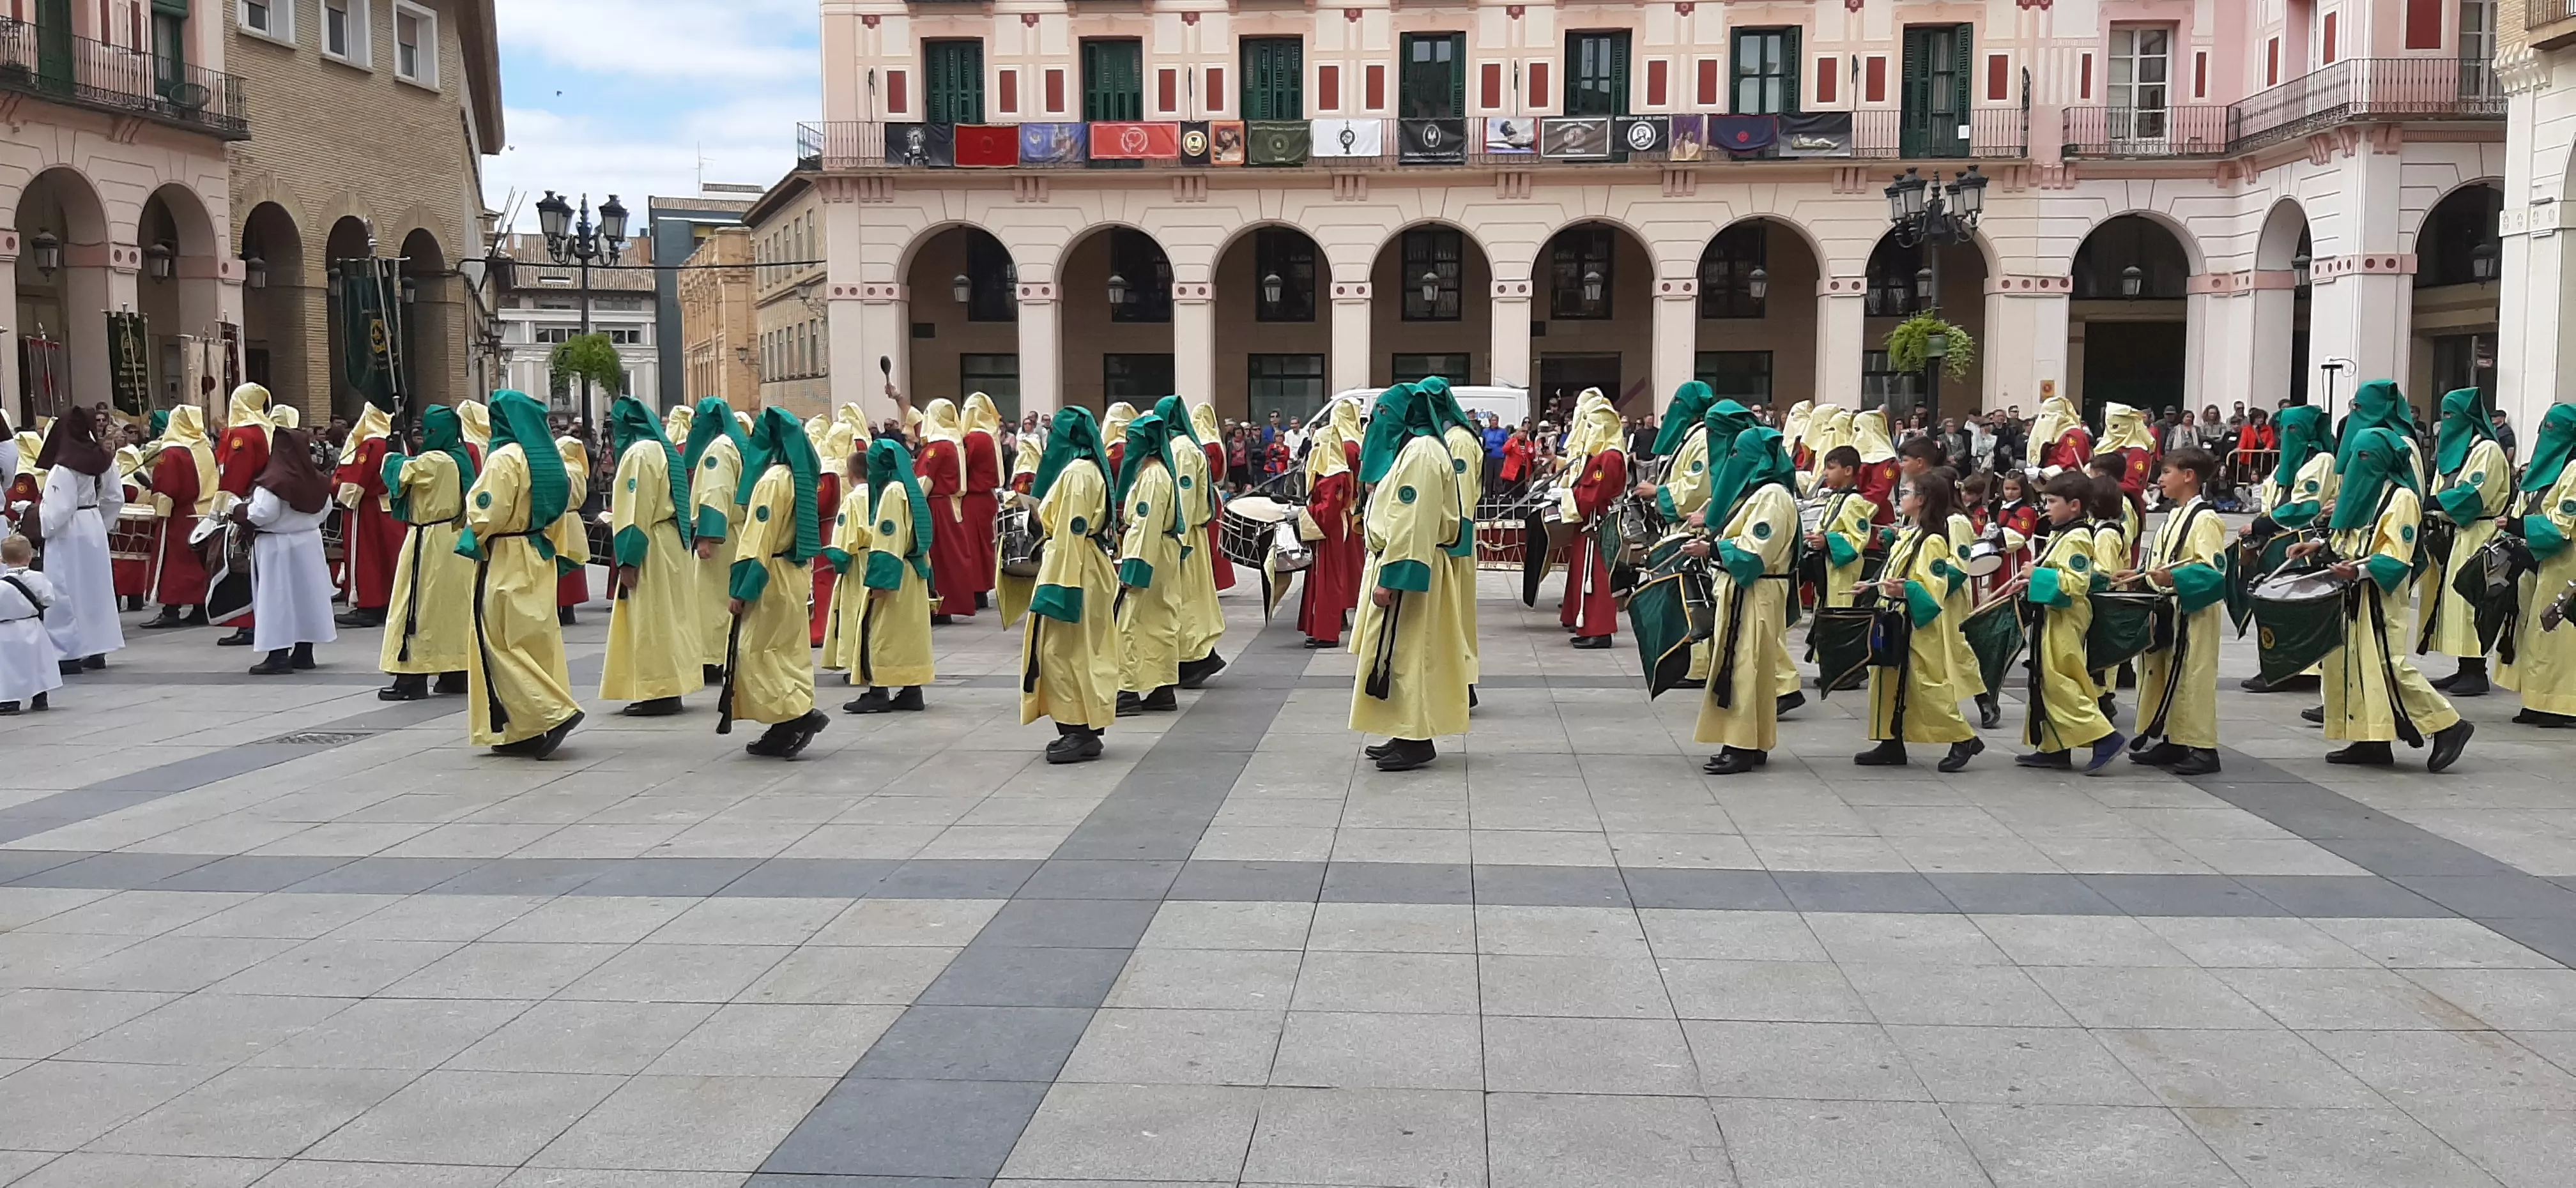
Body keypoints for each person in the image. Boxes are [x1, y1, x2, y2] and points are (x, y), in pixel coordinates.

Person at [2292, 425, 2473, 770]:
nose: (2359, 463)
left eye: (2366, 456)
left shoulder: (2400, 497)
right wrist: (2318, 547)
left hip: (2377, 596)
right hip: (2348, 594)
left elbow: (2397, 553)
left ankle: (2449, 725)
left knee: (2388, 665)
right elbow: (2346, 536)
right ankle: (2370, 738)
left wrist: (2359, 570)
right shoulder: (2359, 490)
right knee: (2350, 665)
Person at [459, 392, 586, 759]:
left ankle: (552, 712)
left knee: (498, 640)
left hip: (505, 555)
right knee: (532, 640)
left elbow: (488, 511)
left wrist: (473, 531)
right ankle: (523, 728)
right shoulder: (544, 459)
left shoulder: (503, 459)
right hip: (536, 551)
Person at [1350, 383, 1471, 772]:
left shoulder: (1420, 453)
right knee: (1402, 653)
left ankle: (1416, 740)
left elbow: (1412, 522)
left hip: (1411, 567)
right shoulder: (1418, 449)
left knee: (1411, 654)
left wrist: (1394, 577)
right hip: (1409, 562)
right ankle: (1406, 731)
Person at [717, 407, 831, 757]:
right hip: (793, 573)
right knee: (786, 652)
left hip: (771, 575)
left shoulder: (773, 481)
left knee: (755, 652)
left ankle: (796, 716)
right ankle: (784, 723)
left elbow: (758, 538)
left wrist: (741, 589)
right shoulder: (801, 476)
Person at [1686, 425, 1799, 775]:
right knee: (1750, 668)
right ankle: (1753, 741)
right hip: (1750, 591)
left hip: (1756, 592)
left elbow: (1754, 554)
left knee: (1745, 669)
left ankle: (1740, 746)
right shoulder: (1761, 493)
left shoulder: (1773, 497)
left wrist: (1713, 549)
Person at [1855, 468, 1982, 772]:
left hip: (1915, 622)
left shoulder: (1933, 541)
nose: (1901, 498)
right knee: (1886, 681)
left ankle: (1963, 737)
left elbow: (1934, 585)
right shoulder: (1910, 533)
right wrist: (1875, 585)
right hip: (1894, 616)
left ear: (1923, 500)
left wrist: (1908, 589)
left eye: (1906, 494)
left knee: (1925, 683)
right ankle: (1891, 740)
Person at [1018, 407, 1121, 763]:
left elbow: (1068, 532)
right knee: (1079, 650)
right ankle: (1081, 726)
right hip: (1084, 564)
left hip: (1075, 569)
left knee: (1062, 651)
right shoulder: (1087, 469)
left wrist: (1057, 585)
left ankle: (1079, 729)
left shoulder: (1078, 473)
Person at [2004, 470, 2123, 771]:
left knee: (2061, 680)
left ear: (2075, 505)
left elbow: (2076, 582)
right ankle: (2055, 745)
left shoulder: (2078, 536)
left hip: (2066, 617)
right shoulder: (2062, 533)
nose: (2047, 507)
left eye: (2053, 501)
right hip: (2053, 615)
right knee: (2046, 678)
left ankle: (2104, 737)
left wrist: (2037, 575)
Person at [594, 396, 703, 716]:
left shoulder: (639, 454)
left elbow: (634, 508)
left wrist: (628, 558)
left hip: (652, 546)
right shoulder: (661, 448)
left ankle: (659, 690)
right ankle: (669, 685)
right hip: (669, 543)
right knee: (669, 619)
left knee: (652, 620)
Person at [2124, 449, 2227, 775]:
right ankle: (2173, 738)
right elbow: (2162, 559)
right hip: (2169, 607)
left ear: (2189, 476)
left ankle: (2203, 747)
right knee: (2165, 674)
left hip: (2192, 611)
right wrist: (2139, 574)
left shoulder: (2205, 519)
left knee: (2193, 676)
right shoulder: (2173, 516)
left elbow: (2214, 571)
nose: (2160, 479)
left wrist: (2175, 579)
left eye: (2166, 472)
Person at [376, 406, 478, 701]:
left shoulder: (434, 461)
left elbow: (396, 472)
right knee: (451, 611)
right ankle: (454, 672)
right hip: (455, 539)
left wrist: (393, 447)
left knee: (416, 606)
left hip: (429, 539)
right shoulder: (460, 457)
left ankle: (411, 678)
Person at [2421, 388, 2511, 697]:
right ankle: (2464, 667)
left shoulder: (2487, 449)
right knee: (2456, 604)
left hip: (2480, 532)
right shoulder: (2459, 451)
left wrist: (2431, 502)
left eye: (2451, 415)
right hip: (2457, 533)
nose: (2446, 421)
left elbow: (2473, 495)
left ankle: (2476, 671)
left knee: (2473, 600)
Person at [843, 438, 937, 713]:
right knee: (906, 634)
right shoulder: (908, 488)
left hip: (896, 573)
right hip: (911, 572)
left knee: (881, 631)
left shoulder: (892, 493)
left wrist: (881, 581)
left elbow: (889, 537)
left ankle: (878, 690)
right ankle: (911, 690)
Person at [235, 427, 337, 676]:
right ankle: (304, 652)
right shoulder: (317, 480)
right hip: (309, 543)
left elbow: (262, 514)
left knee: (277, 600)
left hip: (277, 546)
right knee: (307, 598)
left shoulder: (273, 481)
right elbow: (325, 511)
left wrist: (237, 510)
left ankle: (278, 655)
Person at [2499, 403, 2576, 727]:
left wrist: (2519, 526)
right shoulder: (2545, 469)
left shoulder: (2573, 468)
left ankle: (2561, 705)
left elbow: (2563, 522)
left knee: (2558, 635)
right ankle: (2538, 699)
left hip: (2566, 564)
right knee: (2535, 632)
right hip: (2538, 561)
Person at [33, 408, 123, 673]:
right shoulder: (104, 459)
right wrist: (100, 525)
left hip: (68, 531)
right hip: (92, 523)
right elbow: (115, 498)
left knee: (64, 590)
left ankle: (67, 653)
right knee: (95, 590)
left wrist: (42, 529)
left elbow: (58, 510)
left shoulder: (63, 466)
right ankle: (97, 649)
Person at [1115, 409, 1190, 713]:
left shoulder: (1153, 477)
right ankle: (1161, 688)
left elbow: (1146, 526)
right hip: (1161, 554)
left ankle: (1129, 690)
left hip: (1150, 556)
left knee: (1131, 622)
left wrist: (1133, 568)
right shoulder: (1154, 474)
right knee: (1159, 622)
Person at [1156, 397, 1228, 689]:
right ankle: (1191, 658)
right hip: (1185, 536)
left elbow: (1184, 498)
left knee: (1186, 600)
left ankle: (1196, 659)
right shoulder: (1181, 446)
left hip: (1185, 538)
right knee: (1187, 600)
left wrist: (1178, 540)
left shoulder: (1183, 450)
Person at [682, 397, 746, 685]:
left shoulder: (718, 450)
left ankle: (713, 657)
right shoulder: (733, 444)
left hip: (721, 537)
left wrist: (707, 536)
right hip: (735, 532)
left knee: (711, 598)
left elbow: (715, 493)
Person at [1558, 390, 1627, 650]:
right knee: (1585, 574)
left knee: (1596, 577)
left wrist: (1566, 496)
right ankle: (1588, 625)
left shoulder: (1608, 457)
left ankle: (1600, 630)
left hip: (1598, 523)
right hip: (1591, 521)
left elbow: (1592, 493)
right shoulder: (1604, 455)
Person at [138, 406, 215, 628]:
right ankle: (200, 607)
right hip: (203, 513)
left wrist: (159, 510)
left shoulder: (173, 452)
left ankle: (170, 609)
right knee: (197, 565)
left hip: (180, 514)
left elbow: (167, 487)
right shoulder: (204, 446)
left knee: (173, 564)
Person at [210, 385, 275, 646]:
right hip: (263, 500)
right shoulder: (267, 429)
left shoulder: (243, 435)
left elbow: (236, 473)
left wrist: (224, 508)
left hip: (245, 504)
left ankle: (248, 623)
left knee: (241, 567)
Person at [1298, 398, 1363, 648]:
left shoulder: (1337, 470)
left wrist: (1306, 512)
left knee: (1333, 577)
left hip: (1334, 527)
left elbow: (1330, 508)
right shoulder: (1352, 448)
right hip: (1339, 520)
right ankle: (1325, 622)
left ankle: (1329, 625)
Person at [332, 404, 401, 628]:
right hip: (387, 508)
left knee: (366, 557)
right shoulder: (394, 442)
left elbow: (355, 483)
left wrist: (334, 483)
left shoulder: (371, 445)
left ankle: (369, 605)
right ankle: (386, 602)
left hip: (367, 509)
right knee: (386, 556)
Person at [1807, 446, 1877, 613]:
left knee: (1840, 610)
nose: (1825, 473)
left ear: (1848, 471)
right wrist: (1812, 537)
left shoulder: (1854, 501)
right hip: (1826, 569)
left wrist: (1827, 542)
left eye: (1831, 468)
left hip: (1843, 573)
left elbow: (1858, 539)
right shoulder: (1834, 498)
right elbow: (1823, 526)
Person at [0, 535, 60, 714]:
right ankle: (40, 697)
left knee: (9, 666)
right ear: (29, 556)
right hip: (32, 625)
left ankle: (9, 700)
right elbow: (48, 599)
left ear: (2, 559)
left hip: (6, 629)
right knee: (37, 661)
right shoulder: (38, 578)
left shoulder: (2, 585)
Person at [962, 393, 1008, 609]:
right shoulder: (990, 437)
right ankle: (982, 589)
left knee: (972, 545)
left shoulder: (973, 439)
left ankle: (975, 589)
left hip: (973, 498)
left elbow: (963, 467)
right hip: (986, 497)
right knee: (984, 546)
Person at [553, 436, 592, 625]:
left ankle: (558, 608)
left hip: (560, 520)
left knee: (559, 563)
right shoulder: (578, 468)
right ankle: (569, 611)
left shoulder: (562, 468)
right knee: (573, 564)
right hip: (574, 520)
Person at [2096, 402, 2159, 512]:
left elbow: (2133, 486)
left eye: (2116, 425)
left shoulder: (2137, 452)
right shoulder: (2105, 447)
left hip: (2126, 508)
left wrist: (2098, 485)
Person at [1849, 409, 1901, 526]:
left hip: (1876, 520)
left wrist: (1853, 512)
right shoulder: (1858, 456)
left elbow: (1878, 492)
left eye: (1858, 430)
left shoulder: (1887, 461)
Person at [2028, 392, 2092, 476]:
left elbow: (2071, 466)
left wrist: (2042, 473)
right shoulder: (2053, 434)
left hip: (2067, 484)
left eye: (2047, 416)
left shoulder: (2073, 436)